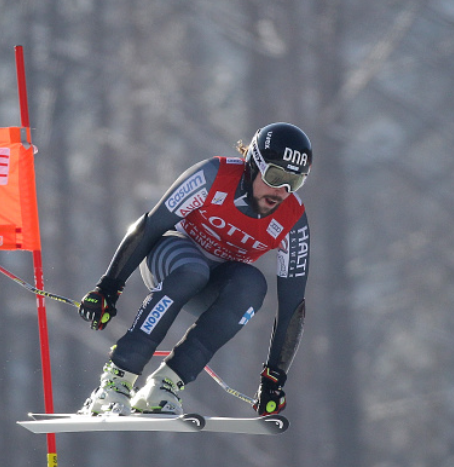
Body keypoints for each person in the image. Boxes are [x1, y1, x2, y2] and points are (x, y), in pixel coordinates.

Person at [77, 122, 312, 417]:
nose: (281, 191)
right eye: (276, 176)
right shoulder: (214, 175)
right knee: (193, 269)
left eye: (295, 182)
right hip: (170, 259)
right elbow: (151, 225)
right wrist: (108, 287)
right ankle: (117, 379)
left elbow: (292, 307)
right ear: (253, 165)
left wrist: (275, 377)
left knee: (252, 286)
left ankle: (165, 385)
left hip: (213, 285)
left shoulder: (293, 219)